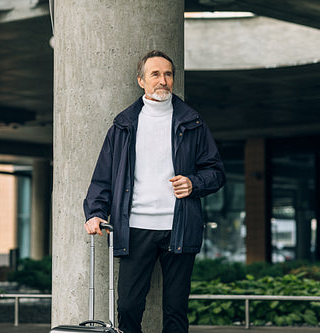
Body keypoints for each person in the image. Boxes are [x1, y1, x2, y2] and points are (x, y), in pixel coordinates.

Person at [83, 50, 226, 333]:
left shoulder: (192, 123)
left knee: (175, 309)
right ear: (141, 81)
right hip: (135, 227)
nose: (163, 80)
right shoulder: (123, 125)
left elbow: (217, 172)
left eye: (168, 74)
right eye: (155, 74)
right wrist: (96, 212)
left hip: (180, 226)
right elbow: (103, 177)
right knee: (128, 306)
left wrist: (194, 183)